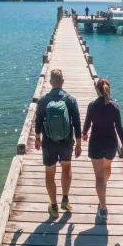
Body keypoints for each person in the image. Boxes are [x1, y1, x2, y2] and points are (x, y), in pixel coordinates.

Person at [35, 69, 82, 218]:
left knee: (50, 172)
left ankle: (53, 206)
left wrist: (37, 138)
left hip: (48, 141)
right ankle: (65, 200)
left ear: (50, 83)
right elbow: (77, 124)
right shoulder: (70, 100)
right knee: (66, 167)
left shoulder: (43, 101)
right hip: (66, 141)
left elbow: (38, 122)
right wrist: (79, 144)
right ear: (62, 81)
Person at [82, 78, 123, 224]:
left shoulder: (92, 106)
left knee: (98, 178)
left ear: (97, 90)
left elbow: (87, 124)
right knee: (107, 168)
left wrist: (84, 133)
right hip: (111, 144)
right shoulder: (114, 106)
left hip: (96, 143)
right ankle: (103, 188)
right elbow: (119, 128)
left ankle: (103, 209)